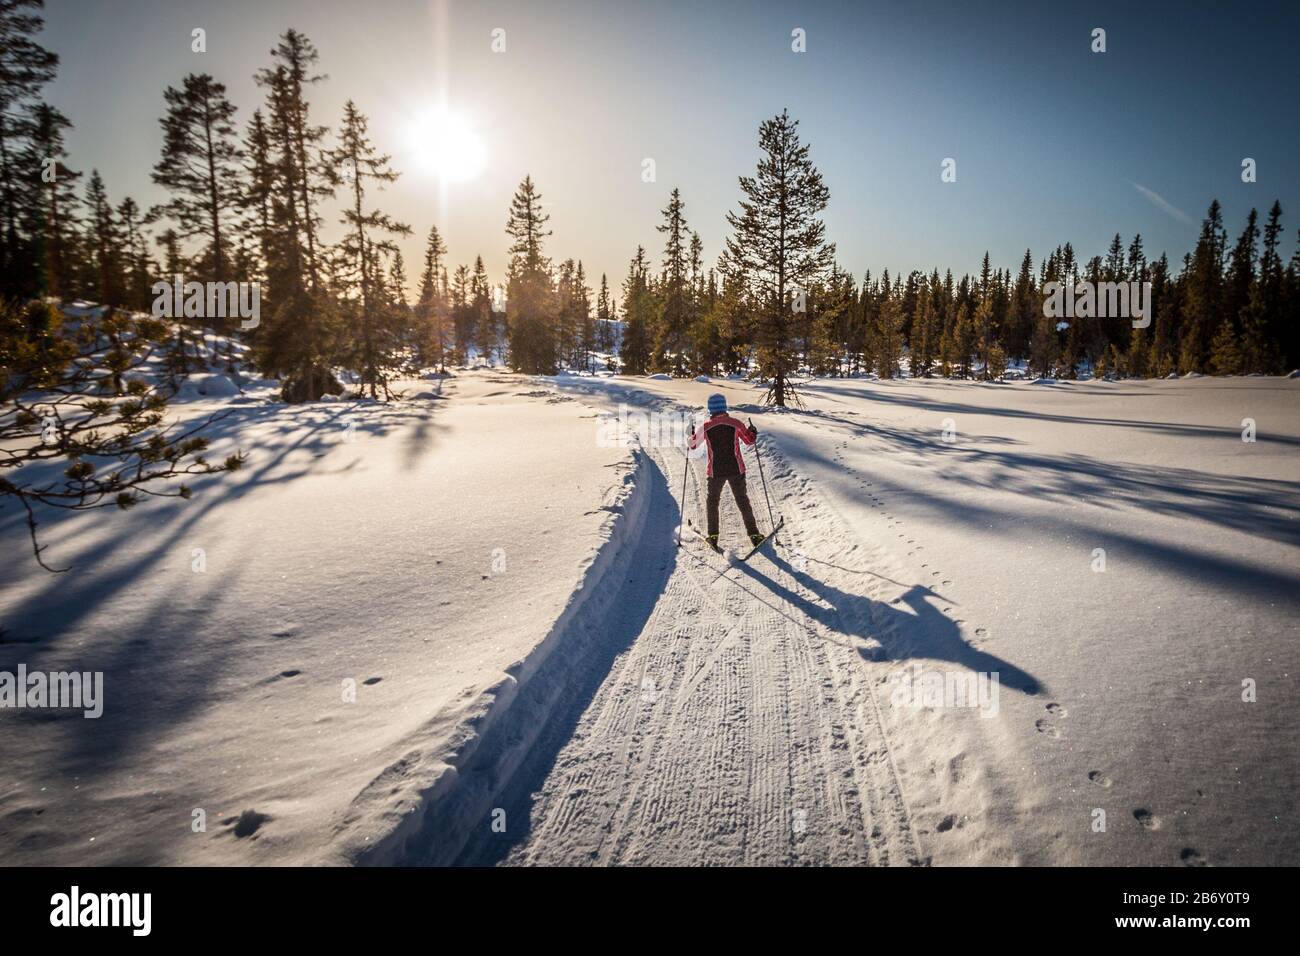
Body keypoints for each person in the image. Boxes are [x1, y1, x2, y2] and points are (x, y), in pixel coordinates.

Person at [688, 393, 764, 549]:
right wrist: (753, 432)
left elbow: (693, 445)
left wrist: (691, 434)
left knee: (713, 502)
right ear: (724, 406)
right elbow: (749, 441)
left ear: (711, 409)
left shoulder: (706, 426)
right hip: (736, 468)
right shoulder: (735, 423)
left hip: (715, 471)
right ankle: (754, 535)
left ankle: (713, 535)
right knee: (742, 500)